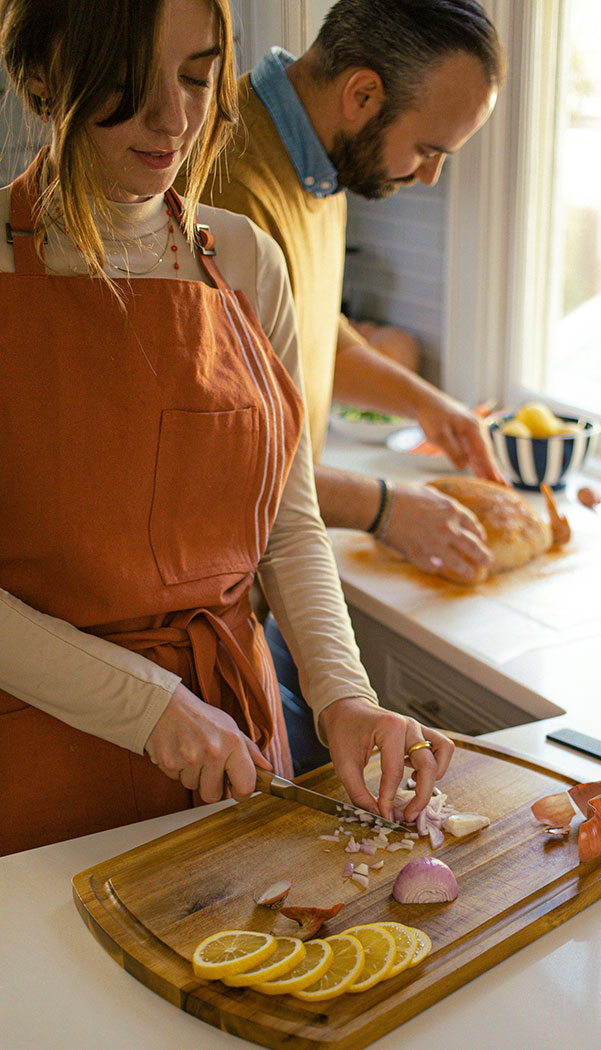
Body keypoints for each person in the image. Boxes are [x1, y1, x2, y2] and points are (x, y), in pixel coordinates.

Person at [0, 0, 454, 856]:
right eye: (131, 82)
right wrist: (150, 707)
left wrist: (344, 697)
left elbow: (287, 525)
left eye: (198, 76)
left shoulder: (244, 260)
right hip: (37, 768)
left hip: (234, 758)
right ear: (38, 76)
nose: (174, 118)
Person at [192, 0, 509, 590]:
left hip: (267, 557)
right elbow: (220, 455)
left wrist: (425, 404)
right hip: (209, 583)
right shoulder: (229, 188)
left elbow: (313, 338)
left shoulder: (321, 164)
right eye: (429, 149)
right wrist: (387, 508)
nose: (427, 175)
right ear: (361, 95)